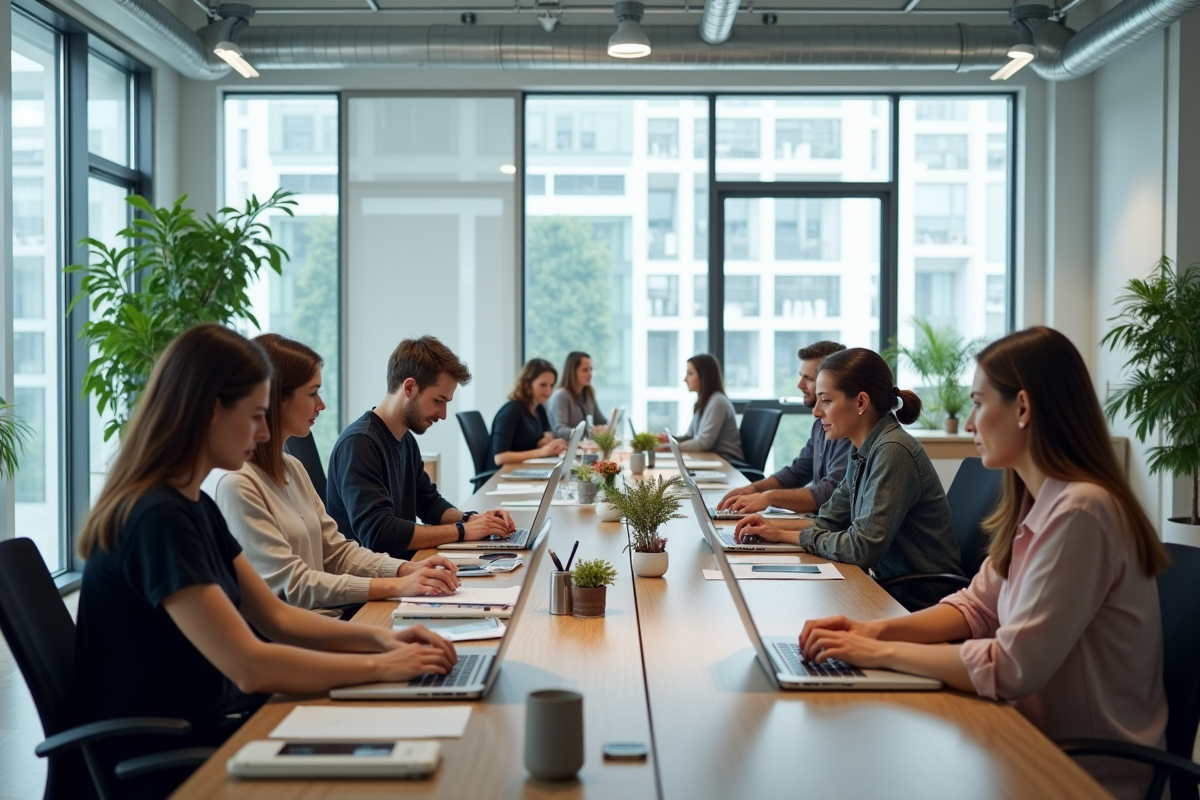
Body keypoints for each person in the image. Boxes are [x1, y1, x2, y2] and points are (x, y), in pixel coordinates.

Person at [73, 325, 457, 800]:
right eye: (256, 415)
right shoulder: (157, 519)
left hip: (211, 726)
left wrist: (385, 640)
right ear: (212, 411)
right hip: (170, 762)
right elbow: (249, 665)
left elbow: (275, 616)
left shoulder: (192, 505)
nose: (263, 432)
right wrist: (383, 665)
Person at [797, 328, 1168, 800]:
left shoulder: (1081, 512)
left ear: (1022, 408)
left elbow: (1011, 666)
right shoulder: (1036, 501)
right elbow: (976, 605)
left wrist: (874, 652)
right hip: (1020, 732)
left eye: (977, 403)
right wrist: (868, 631)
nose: (970, 423)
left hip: (1079, 771)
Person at [211, 334, 460, 617]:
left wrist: (406, 569)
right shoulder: (238, 484)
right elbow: (294, 584)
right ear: (276, 398)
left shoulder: (293, 469)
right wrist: (396, 584)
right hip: (306, 629)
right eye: (312, 393)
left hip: (329, 617)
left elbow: (336, 552)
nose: (322, 405)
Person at [734, 348, 962, 610]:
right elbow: (830, 520)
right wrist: (770, 528)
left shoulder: (893, 451)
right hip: (884, 586)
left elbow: (861, 548)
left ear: (861, 402)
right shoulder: (863, 449)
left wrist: (784, 535)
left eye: (826, 401)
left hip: (918, 600)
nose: (816, 412)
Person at [326, 335, 516, 559]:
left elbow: (428, 503)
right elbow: (379, 533)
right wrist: (462, 531)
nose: (443, 415)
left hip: (406, 569)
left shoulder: (405, 439)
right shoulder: (359, 443)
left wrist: (473, 520)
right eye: (439, 401)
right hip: (375, 578)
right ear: (409, 387)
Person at [718, 340, 851, 514]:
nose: (799, 385)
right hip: (822, 522)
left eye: (808, 378)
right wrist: (753, 489)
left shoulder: (848, 429)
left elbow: (830, 493)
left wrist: (768, 498)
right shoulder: (820, 424)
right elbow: (798, 472)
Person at [658, 354, 745, 464]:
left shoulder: (718, 403)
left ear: (704, 377)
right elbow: (689, 436)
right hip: (712, 459)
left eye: (690, 373)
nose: (685, 379)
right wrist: (670, 440)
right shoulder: (704, 401)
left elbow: (704, 443)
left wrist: (669, 447)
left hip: (727, 463)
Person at [490, 358, 569, 466]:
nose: (549, 391)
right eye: (543, 385)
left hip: (524, 467)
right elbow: (500, 458)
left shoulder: (539, 409)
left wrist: (548, 444)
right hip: (503, 472)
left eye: (551, 385)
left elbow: (544, 439)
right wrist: (541, 452)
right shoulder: (511, 410)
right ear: (527, 384)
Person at [546, 351, 607, 440]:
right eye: (585, 370)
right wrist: (589, 432)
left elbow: (601, 421)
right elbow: (559, 432)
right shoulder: (561, 395)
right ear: (572, 372)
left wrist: (604, 427)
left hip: (584, 446)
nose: (590, 374)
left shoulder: (588, 393)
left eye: (591, 369)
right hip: (567, 447)